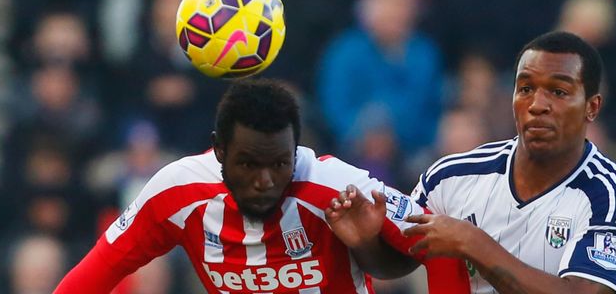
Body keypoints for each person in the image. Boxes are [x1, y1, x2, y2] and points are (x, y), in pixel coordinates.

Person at [327, 31, 616, 294]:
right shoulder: (450, 176)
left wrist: (475, 243)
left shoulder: (611, 197)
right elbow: (403, 261)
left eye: (559, 92)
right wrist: (366, 242)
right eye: (525, 89)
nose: (537, 105)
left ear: (592, 107)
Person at [54, 79, 427, 293]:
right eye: (248, 164)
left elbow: (437, 246)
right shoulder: (177, 190)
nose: (265, 181)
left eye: (281, 164)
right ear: (219, 149)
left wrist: (365, 245)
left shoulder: (338, 187)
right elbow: (96, 272)